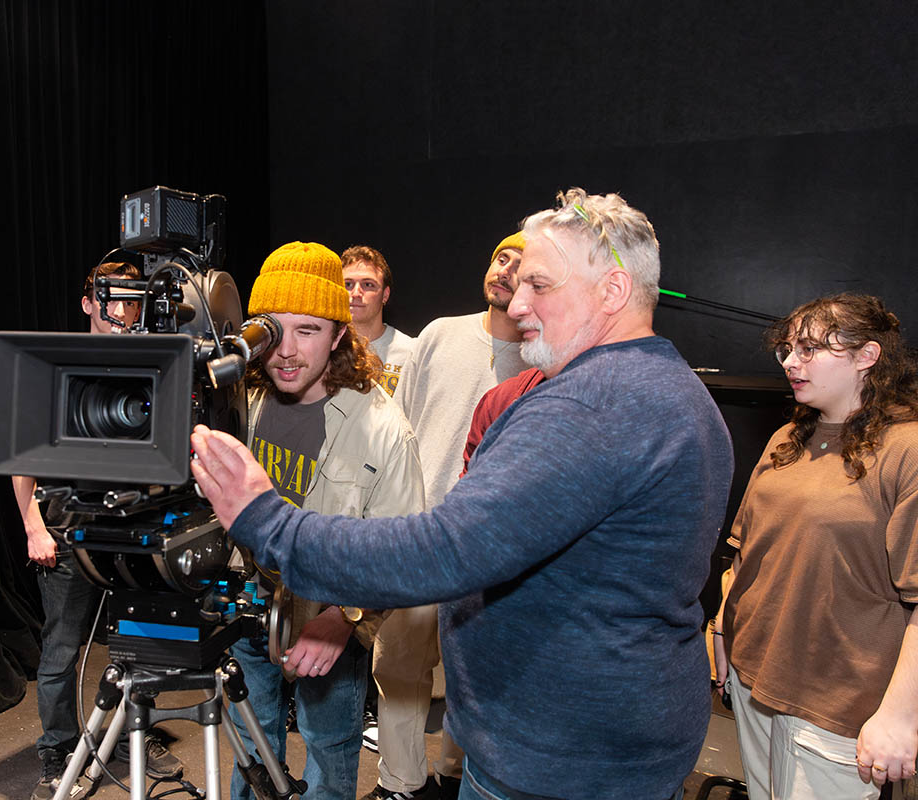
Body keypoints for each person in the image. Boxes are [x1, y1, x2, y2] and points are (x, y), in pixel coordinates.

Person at [190, 188, 734, 800]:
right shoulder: (666, 387)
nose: (518, 302)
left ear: (611, 291)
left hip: (563, 763)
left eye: (540, 285)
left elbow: (442, 550)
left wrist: (265, 519)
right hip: (581, 744)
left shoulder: (594, 406)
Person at [228, 241, 424, 800]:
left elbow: (400, 552)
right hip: (247, 603)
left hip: (329, 615)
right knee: (249, 738)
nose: (286, 352)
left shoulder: (384, 429)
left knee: (327, 747)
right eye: (274, 330)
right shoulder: (245, 401)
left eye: (308, 330)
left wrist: (344, 619)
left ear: (340, 334)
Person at [714, 293, 918, 799]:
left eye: (808, 349)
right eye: (786, 349)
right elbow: (746, 551)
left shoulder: (907, 448)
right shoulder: (787, 437)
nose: (789, 361)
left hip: (836, 705)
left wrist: (898, 717)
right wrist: (720, 625)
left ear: (867, 356)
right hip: (754, 677)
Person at [365, 231, 530, 800]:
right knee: (399, 669)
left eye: (521, 263)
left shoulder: (543, 357)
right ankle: (400, 783)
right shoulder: (439, 334)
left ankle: (457, 777)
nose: (505, 269)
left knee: (474, 678)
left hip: (487, 549)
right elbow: (397, 423)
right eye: (499, 256)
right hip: (419, 532)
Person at [15, 261, 182, 800]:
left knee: (134, 641)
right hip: (65, 531)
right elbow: (22, 454)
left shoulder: (149, 365)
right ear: (88, 303)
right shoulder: (55, 365)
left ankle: (133, 731)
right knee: (63, 646)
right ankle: (57, 749)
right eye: (112, 299)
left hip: (131, 529)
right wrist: (32, 526)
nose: (123, 310)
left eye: (133, 300)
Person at [342, 245, 413, 396]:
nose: (355, 293)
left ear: (385, 295)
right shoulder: (324, 350)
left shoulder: (411, 352)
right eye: (348, 284)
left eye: (368, 285)